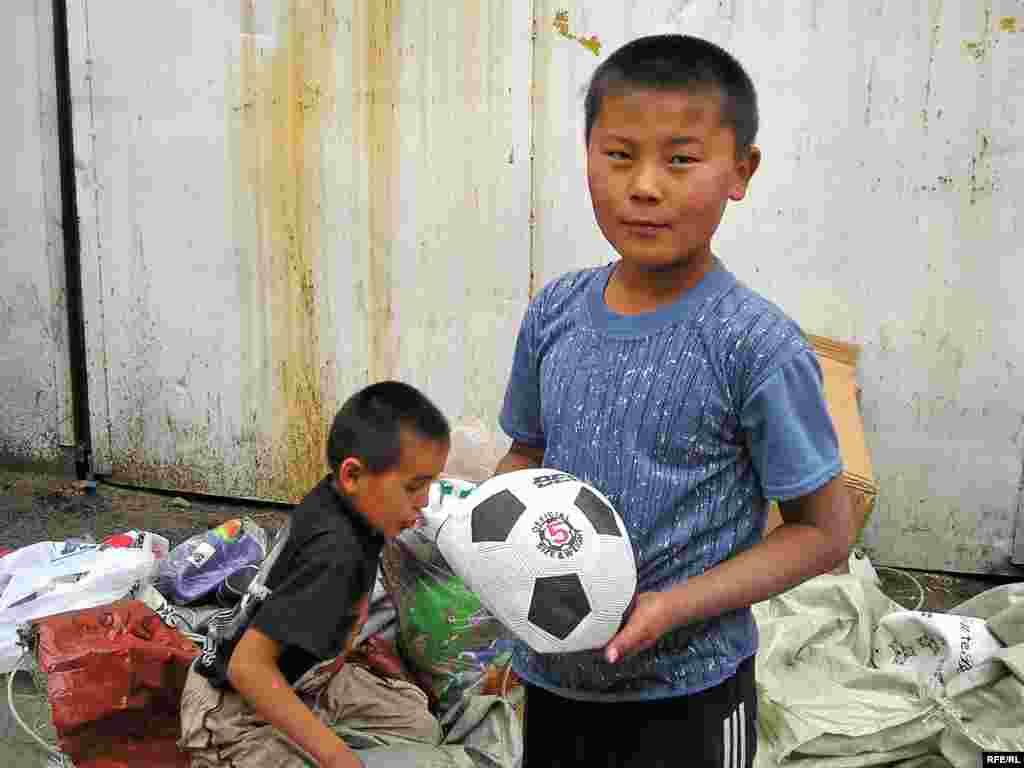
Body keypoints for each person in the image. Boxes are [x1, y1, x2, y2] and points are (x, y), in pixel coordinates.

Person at [496, 34, 856, 767]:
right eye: (619, 155)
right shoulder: (555, 312)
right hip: (554, 678)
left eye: (681, 159)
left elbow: (825, 533)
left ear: (740, 171)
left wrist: (673, 607)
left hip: (688, 693)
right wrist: (485, 536)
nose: (645, 186)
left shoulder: (756, 347)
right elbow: (526, 454)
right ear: (587, 152)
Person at [179, 381, 451, 768]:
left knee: (418, 726)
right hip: (231, 710)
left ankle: (306, 719)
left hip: (308, 677)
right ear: (353, 475)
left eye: (430, 484)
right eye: (414, 486)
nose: (424, 502)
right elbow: (247, 667)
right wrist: (338, 758)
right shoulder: (335, 554)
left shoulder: (351, 506)